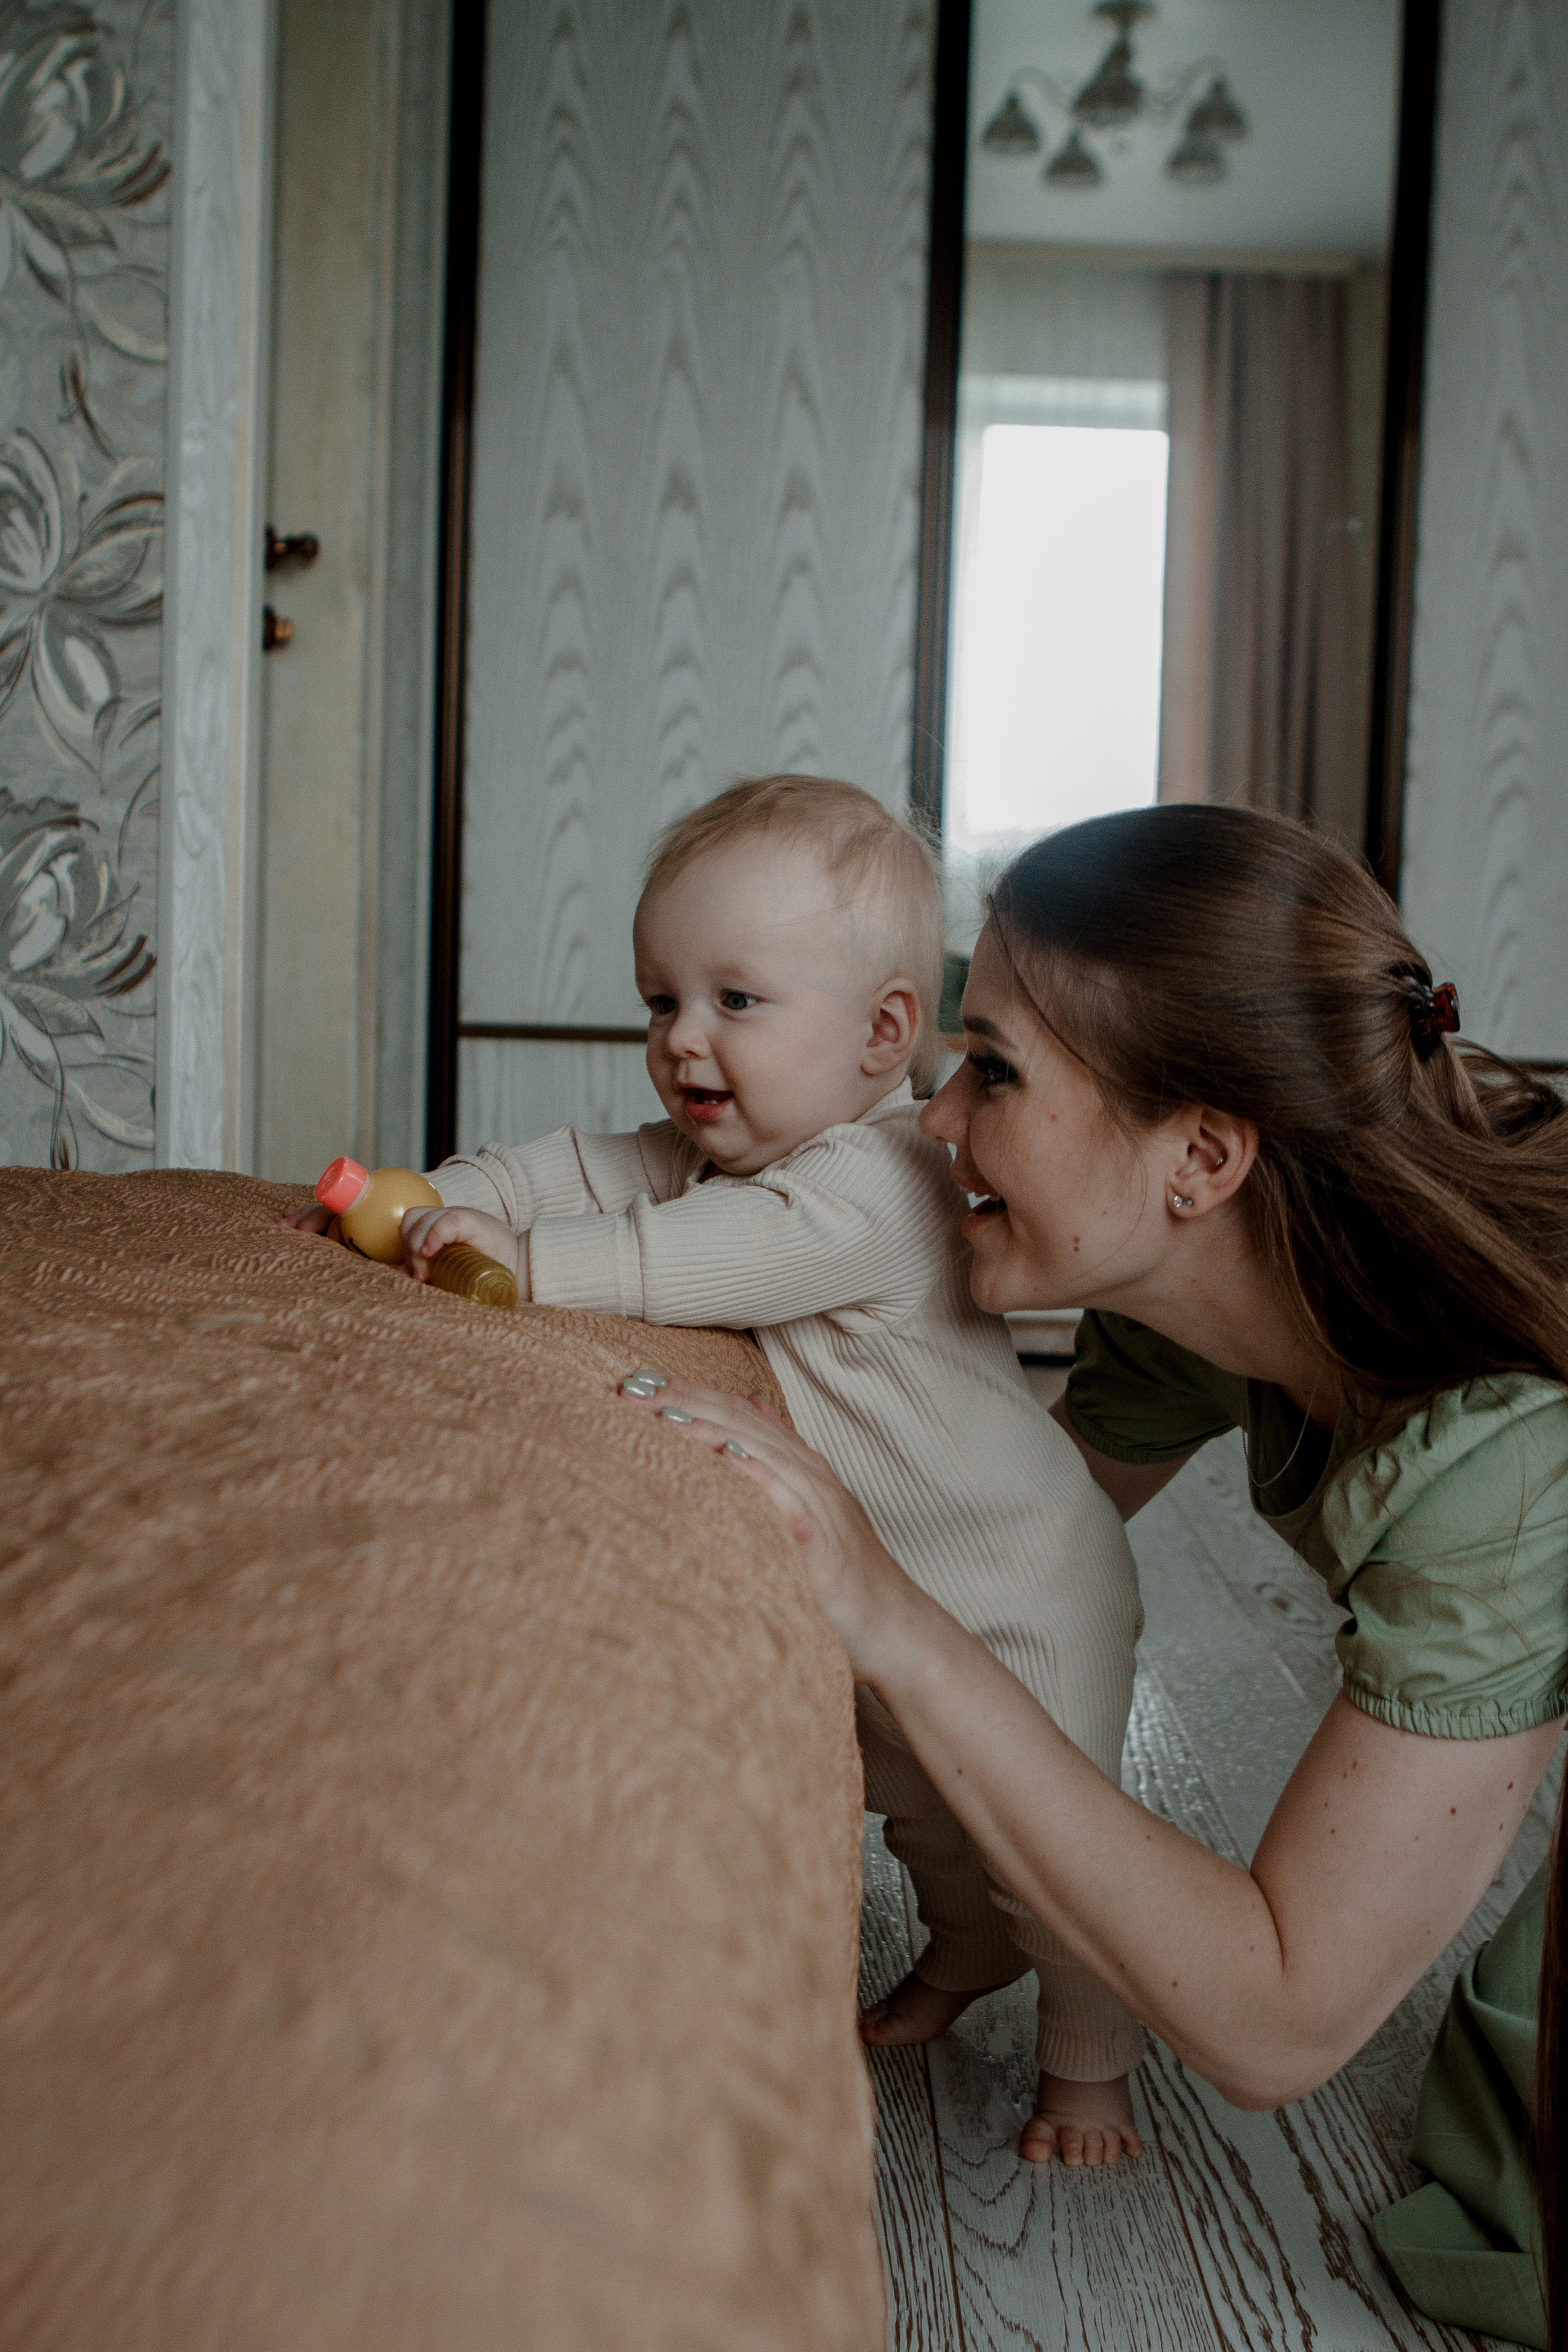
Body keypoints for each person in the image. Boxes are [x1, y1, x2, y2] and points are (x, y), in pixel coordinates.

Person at [620, 804, 1567, 2352]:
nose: (930, 1119)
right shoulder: (1187, 1290)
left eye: (990, 1071)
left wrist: (893, 1620)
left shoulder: (1503, 1470)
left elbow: (1275, 2020)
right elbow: (1024, 1533)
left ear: (1199, 1156)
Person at [288, 775, 1149, 2164]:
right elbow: (579, 1166)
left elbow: (675, 1263)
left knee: (1048, 1844)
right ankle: (962, 1956)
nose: (682, 1042)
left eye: (736, 1003)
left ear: (883, 1033)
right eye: (658, 1002)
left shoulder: (877, 1184)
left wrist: (517, 1266)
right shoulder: (723, 1148)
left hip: (1022, 1582)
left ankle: (1090, 2062)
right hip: (903, 1584)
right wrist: (460, 1194)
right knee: (921, 1808)